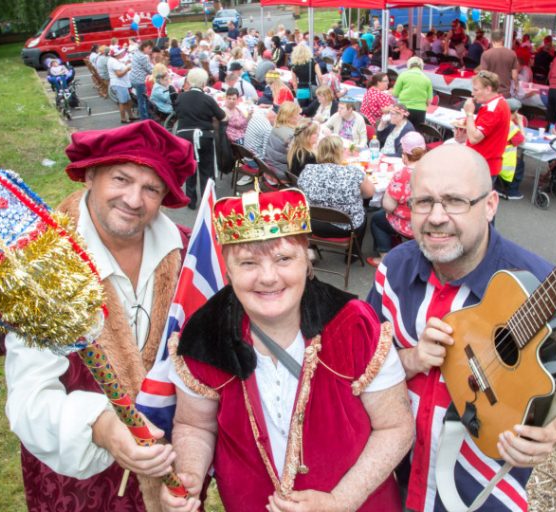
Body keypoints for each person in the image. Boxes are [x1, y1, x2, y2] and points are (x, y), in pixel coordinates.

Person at [366, 144, 556, 511]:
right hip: (390, 483)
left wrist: (549, 432)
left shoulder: (543, 290)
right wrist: (409, 359)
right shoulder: (393, 270)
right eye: (423, 202)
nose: (436, 217)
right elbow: (361, 361)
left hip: (479, 495)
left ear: (490, 205)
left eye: (455, 201)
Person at [161, 185, 412, 512]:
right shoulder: (205, 333)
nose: (268, 277)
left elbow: (396, 427)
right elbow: (195, 425)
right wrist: (191, 473)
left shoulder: (353, 325)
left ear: (306, 260)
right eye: (248, 262)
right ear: (227, 270)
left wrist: (341, 501)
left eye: (283, 258)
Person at [2, 121, 196, 512]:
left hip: (172, 469)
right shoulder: (43, 264)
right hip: (83, 481)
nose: (134, 199)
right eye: (121, 179)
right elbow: (29, 397)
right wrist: (103, 428)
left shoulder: (187, 252)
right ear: (91, 175)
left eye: (151, 188)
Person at [298, 135, 375, 242]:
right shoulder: (353, 173)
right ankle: (353, 254)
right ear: (340, 152)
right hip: (346, 228)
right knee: (364, 212)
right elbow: (369, 194)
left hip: (313, 223)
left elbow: (301, 192)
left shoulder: (307, 170)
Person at [367, 131, 426, 268]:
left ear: (404, 155)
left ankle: (385, 259)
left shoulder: (402, 174)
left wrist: (388, 191)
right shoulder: (432, 169)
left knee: (377, 219)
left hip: (408, 223)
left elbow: (389, 206)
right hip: (427, 220)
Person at [174, 68, 226, 209]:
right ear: (203, 83)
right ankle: (206, 201)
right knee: (206, 170)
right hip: (203, 136)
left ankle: (191, 201)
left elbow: (178, 114)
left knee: (190, 169)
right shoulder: (207, 99)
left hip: (184, 137)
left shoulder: (180, 98)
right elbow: (222, 116)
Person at [457, 70, 511, 180]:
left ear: (488, 89)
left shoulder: (493, 109)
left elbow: (474, 138)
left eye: (476, 90)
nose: (472, 93)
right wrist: (465, 135)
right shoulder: (497, 103)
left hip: (483, 166)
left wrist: (469, 113)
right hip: (483, 164)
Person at [497, 98, 527, 201]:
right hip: (504, 158)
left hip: (494, 154)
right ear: (514, 112)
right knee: (520, 164)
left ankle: (498, 186)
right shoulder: (511, 126)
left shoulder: (497, 118)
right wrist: (520, 123)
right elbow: (522, 141)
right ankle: (511, 191)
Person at [264, 102, 301, 181]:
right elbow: (298, 159)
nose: (299, 117)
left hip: (270, 168)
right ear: (289, 117)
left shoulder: (276, 127)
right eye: (297, 114)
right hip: (281, 172)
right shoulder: (291, 135)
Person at [392, 56, 433, 126]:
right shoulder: (427, 79)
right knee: (416, 134)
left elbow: (395, 94)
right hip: (420, 111)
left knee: (401, 133)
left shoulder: (403, 75)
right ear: (421, 66)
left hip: (404, 108)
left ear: (409, 64)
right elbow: (429, 101)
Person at [479, 30, 519, 98]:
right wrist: (516, 85)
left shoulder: (486, 54)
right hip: (505, 94)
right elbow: (514, 75)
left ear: (492, 39)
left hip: (490, 93)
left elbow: (482, 74)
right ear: (503, 39)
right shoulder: (512, 54)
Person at [107, 47, 134, 123]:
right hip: (119, 84)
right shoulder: (113, 62)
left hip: (121, 84)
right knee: (123, 102)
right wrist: (127, 69)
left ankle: (131, 116)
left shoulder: (114, 60)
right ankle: (123, 118)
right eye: (120, 53)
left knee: (128, 101)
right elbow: (119, 74)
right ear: (117, 54)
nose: (122, 54)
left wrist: (124, 65)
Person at [130, 41, 155, 120]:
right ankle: (144, 120)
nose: (150, 50)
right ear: (144, 47)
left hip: (134, 79)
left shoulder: (136, 53)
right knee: (142, 101)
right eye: (149, 48)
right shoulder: (143, 57)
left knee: (143, 100)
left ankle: (147, 116)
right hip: (140, 81)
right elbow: (150, 69)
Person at [290, 44, 321, 108]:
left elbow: (294, 83)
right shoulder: (314, 63)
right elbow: (320, 77)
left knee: (304, 111)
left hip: (301, 90)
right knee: (314, 110)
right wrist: (322, 88)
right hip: (313, 89)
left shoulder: (294, 66)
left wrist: (297, 92)